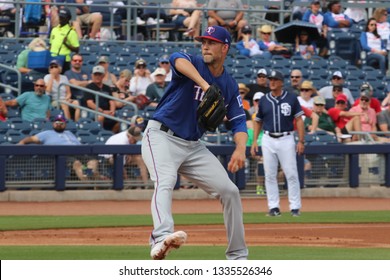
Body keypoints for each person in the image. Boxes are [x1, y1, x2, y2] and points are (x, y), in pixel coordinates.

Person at [141, 26, 248, 260]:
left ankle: (238, 256)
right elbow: (175, 59)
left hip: (193, 146)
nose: (205, 46)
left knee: (230, 191)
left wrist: (241, 149)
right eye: (203, 42)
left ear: (225, 47)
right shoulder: (193, 64)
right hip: (161, 136)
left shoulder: (229, 84)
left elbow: (239, 122)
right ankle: (160, 238)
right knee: (166, 179)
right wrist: (205, 84)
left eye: (211, 42)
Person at [250, 70, 305, 217]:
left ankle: (295, 207)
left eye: (275, 79)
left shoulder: (292, 98)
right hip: (268, 139)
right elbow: (258, 121)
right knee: (269, 175)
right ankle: (273, 207)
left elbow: (299, 120)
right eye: (270, 79)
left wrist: (301, 140)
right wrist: (255, 140)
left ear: (281, 82)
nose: (272, 82)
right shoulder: (264, 100)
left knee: (291, 173)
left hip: (286, 137)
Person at [18, 115, 100, 181]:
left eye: (61, 122)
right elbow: (32, 139)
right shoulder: (47, 133)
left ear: (65, 124)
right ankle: (88, 185)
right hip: (62, 154)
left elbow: (78, 144)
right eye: (57, 122)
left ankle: (93, 180)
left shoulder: (69, 133)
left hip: (78, 152)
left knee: (93, 162)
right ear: (53, 124)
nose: (59, 124)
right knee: (77, 163)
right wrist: (22, 142)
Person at [85, 65, 119, 133]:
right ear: (92, 75)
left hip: (107, 111)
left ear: (103, 76)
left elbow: (111, 101)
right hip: (94, 111)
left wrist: (112, 111)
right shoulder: (89, 87)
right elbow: (90, 103)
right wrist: (102, 112)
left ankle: (111, 135)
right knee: (101, 117)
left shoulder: (107, 87)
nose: (97, 76)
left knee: (120, 120)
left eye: (99, 74)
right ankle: (100, 134)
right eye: (95, 74)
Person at [49, 7, 80, 73]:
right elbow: (51, 45)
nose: (61, 19)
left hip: (64, 60)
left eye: (63, 17)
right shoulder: (54, 30)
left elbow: (77, 49)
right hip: (52, 58)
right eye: (60, 17)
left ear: (68, 18)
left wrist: (66, 44)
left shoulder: (71, 32)